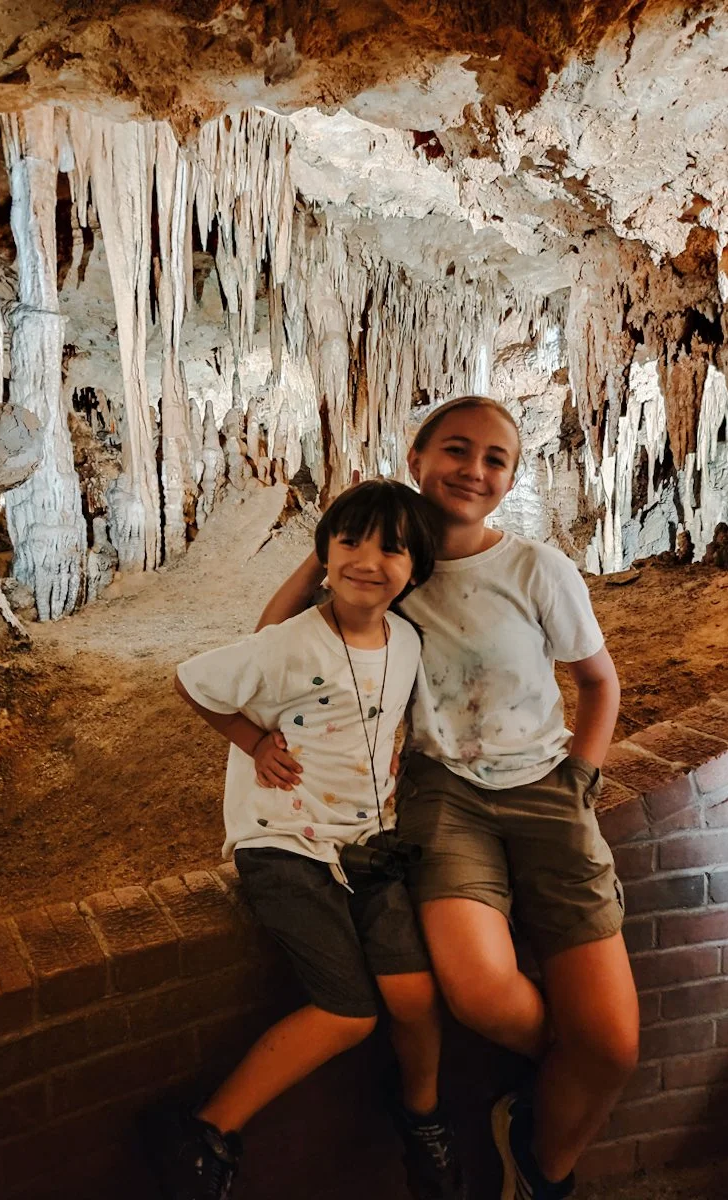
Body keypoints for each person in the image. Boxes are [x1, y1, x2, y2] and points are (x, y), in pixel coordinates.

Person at [257, 396, 639, 1200]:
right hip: (442, 796)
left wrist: (578, 779)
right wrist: (337, 531)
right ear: (416, 456)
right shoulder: (387, 572)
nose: (473, 470)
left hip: (547, 791)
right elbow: (276, 632)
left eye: (494, 459)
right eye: (456, 451)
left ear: (510, 476)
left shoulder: (536, 568)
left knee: (612, 1048)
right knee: (480, 994)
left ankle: (539, 1166)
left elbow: (598, 683)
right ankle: (555, 1078)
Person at [152, 479, 462, 1200]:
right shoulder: (292, 642)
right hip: (285, 842)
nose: (368, 559)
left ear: (415, 570)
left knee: (414, 995)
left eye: (392, 548)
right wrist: (254, 740)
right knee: (348, 1012)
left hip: (368, 844)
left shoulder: (407, 641)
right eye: (349, 541)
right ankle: (206, 1134)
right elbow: (194, 682)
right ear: (323, 552)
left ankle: (421, 1117)